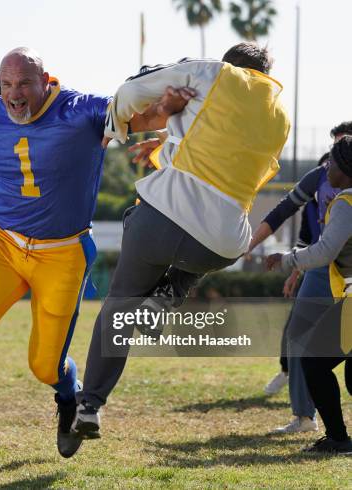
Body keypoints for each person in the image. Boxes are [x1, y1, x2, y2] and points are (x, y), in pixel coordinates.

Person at [0, 47, 189, 466]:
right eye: (6, 84)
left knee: (45, 366)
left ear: (47, 81)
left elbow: (143, 116)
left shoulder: (81, 111)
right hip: (2, 243)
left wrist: (171, 110)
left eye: (24, 83)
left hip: (62, 252)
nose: (14, 94)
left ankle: (67, 397)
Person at [70, 42, 291, 455]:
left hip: (160, 221)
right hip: (221, 245)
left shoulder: (212, 72)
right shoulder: (280, 116)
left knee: (119, 306)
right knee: (206, 249)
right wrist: (163, 143)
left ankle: (90, 404)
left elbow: (133, 90)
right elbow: (226, 161)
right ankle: (171, 293)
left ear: (231, 64)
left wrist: (115, 126)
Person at [249, 122, 352, 434]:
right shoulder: (319, 177)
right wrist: (250, 247)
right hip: (322, 264)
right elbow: (289, 216)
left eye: (333, 156)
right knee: (298, 337)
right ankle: (304, 418)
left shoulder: (346, 199)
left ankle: (336, 432)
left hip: (337, 267)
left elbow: (326, 247)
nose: (326, 162)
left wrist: (288, 260)